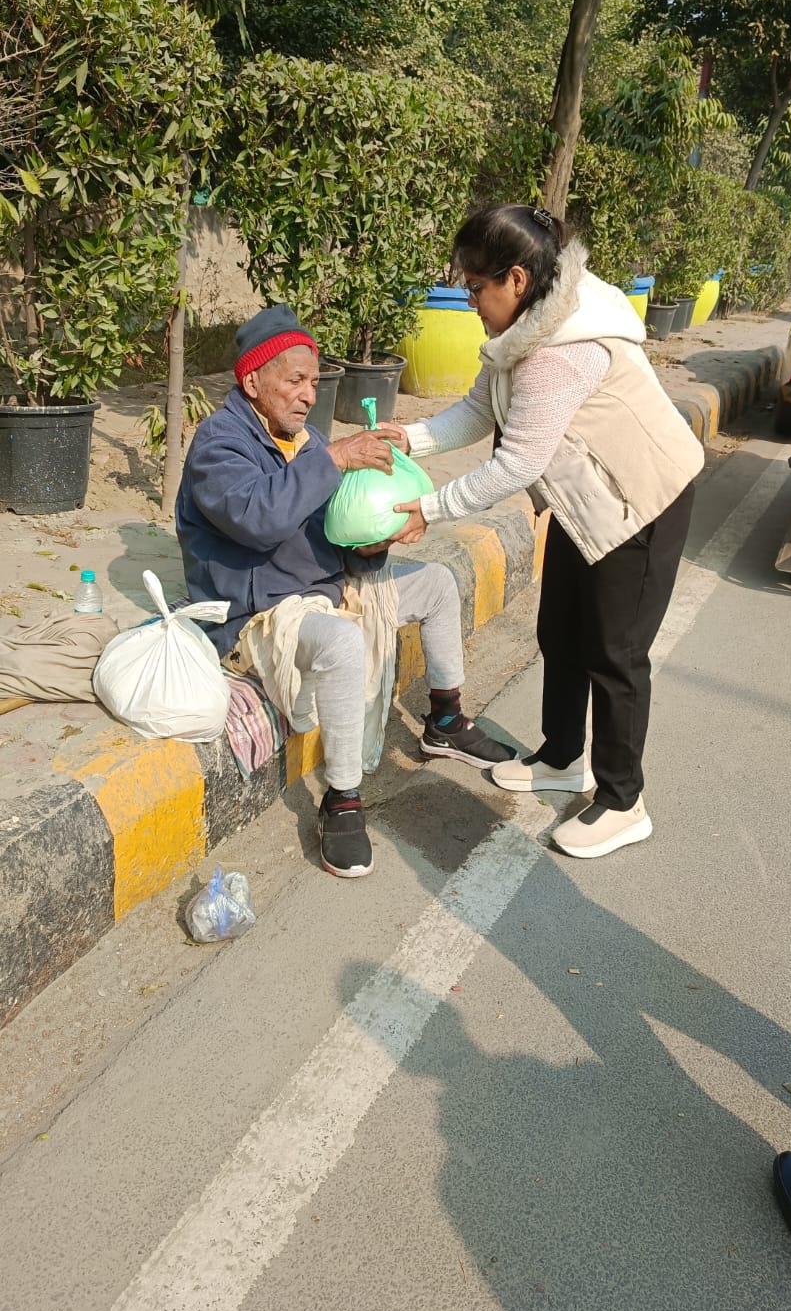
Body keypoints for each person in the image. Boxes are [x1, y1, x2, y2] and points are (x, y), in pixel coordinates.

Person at [391, 203, 705, 859]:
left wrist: (430, 508)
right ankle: (563, 757)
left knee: (615, 654)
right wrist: (411, 439)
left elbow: (518, 463)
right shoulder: (524, 329)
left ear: (516, 279)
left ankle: (623, 801)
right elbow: (482, 406)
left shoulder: (562, 351)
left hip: (641, 500)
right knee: (560, 631)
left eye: (476, 286)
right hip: (587, 501)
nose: (468, 297)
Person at [176, 304, 512, 879]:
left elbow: (328, 530)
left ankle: (445, 720)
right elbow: (259, 519)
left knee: (434, 582)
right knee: (342, 643)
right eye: (294, 380)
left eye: (313, 381)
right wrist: (335, 458)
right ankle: (344, 798)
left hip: (321, 588)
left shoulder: (302, 440)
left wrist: (372, 538)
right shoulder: (218, 444)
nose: (308, 395)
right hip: (258, 611)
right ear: (252, 381)